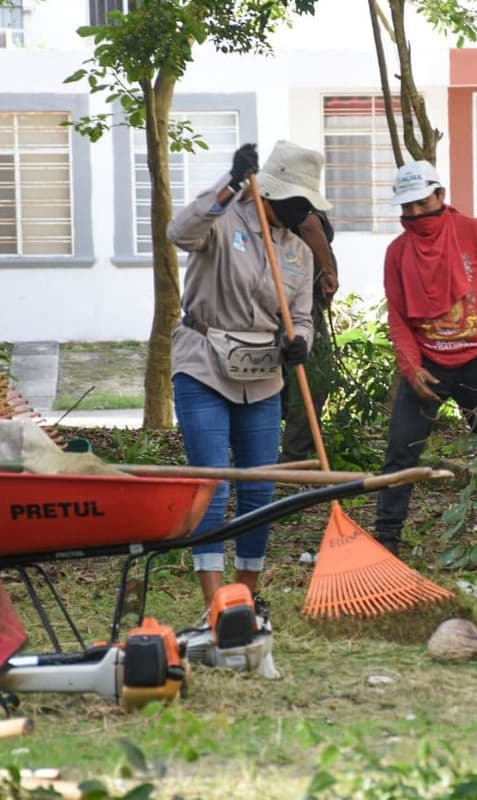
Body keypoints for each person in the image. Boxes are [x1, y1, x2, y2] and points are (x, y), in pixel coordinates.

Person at [168, 140, 327, 606]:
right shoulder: (222, 223)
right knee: (214, 485)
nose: (302, 211)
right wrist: (229, 184)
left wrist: (299, 341)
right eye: (295, 201)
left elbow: (301, 317)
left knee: (260, 489)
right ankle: (217, 603)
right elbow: (180, 232)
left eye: (307, 204)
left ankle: (246, 597)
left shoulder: (299, 252)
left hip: (262, 376)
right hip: (204, 365)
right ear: (269, 192)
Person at [373, 160, 477, 562]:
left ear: (441, 196)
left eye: (422, 204)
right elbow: (398, 316)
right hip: (427, 365)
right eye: (406, 208)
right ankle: (387, 540)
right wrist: (411, 367)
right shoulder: (398, 253)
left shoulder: (475, 232)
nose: (414, 215)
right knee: (401, 450)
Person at [279, 209, 339, 463]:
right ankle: (295, 456)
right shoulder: (298, 197)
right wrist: (328, 272)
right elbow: (309, 224)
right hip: (296, 300)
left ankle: (289, 452)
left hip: (293, 295)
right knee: (312, 376)